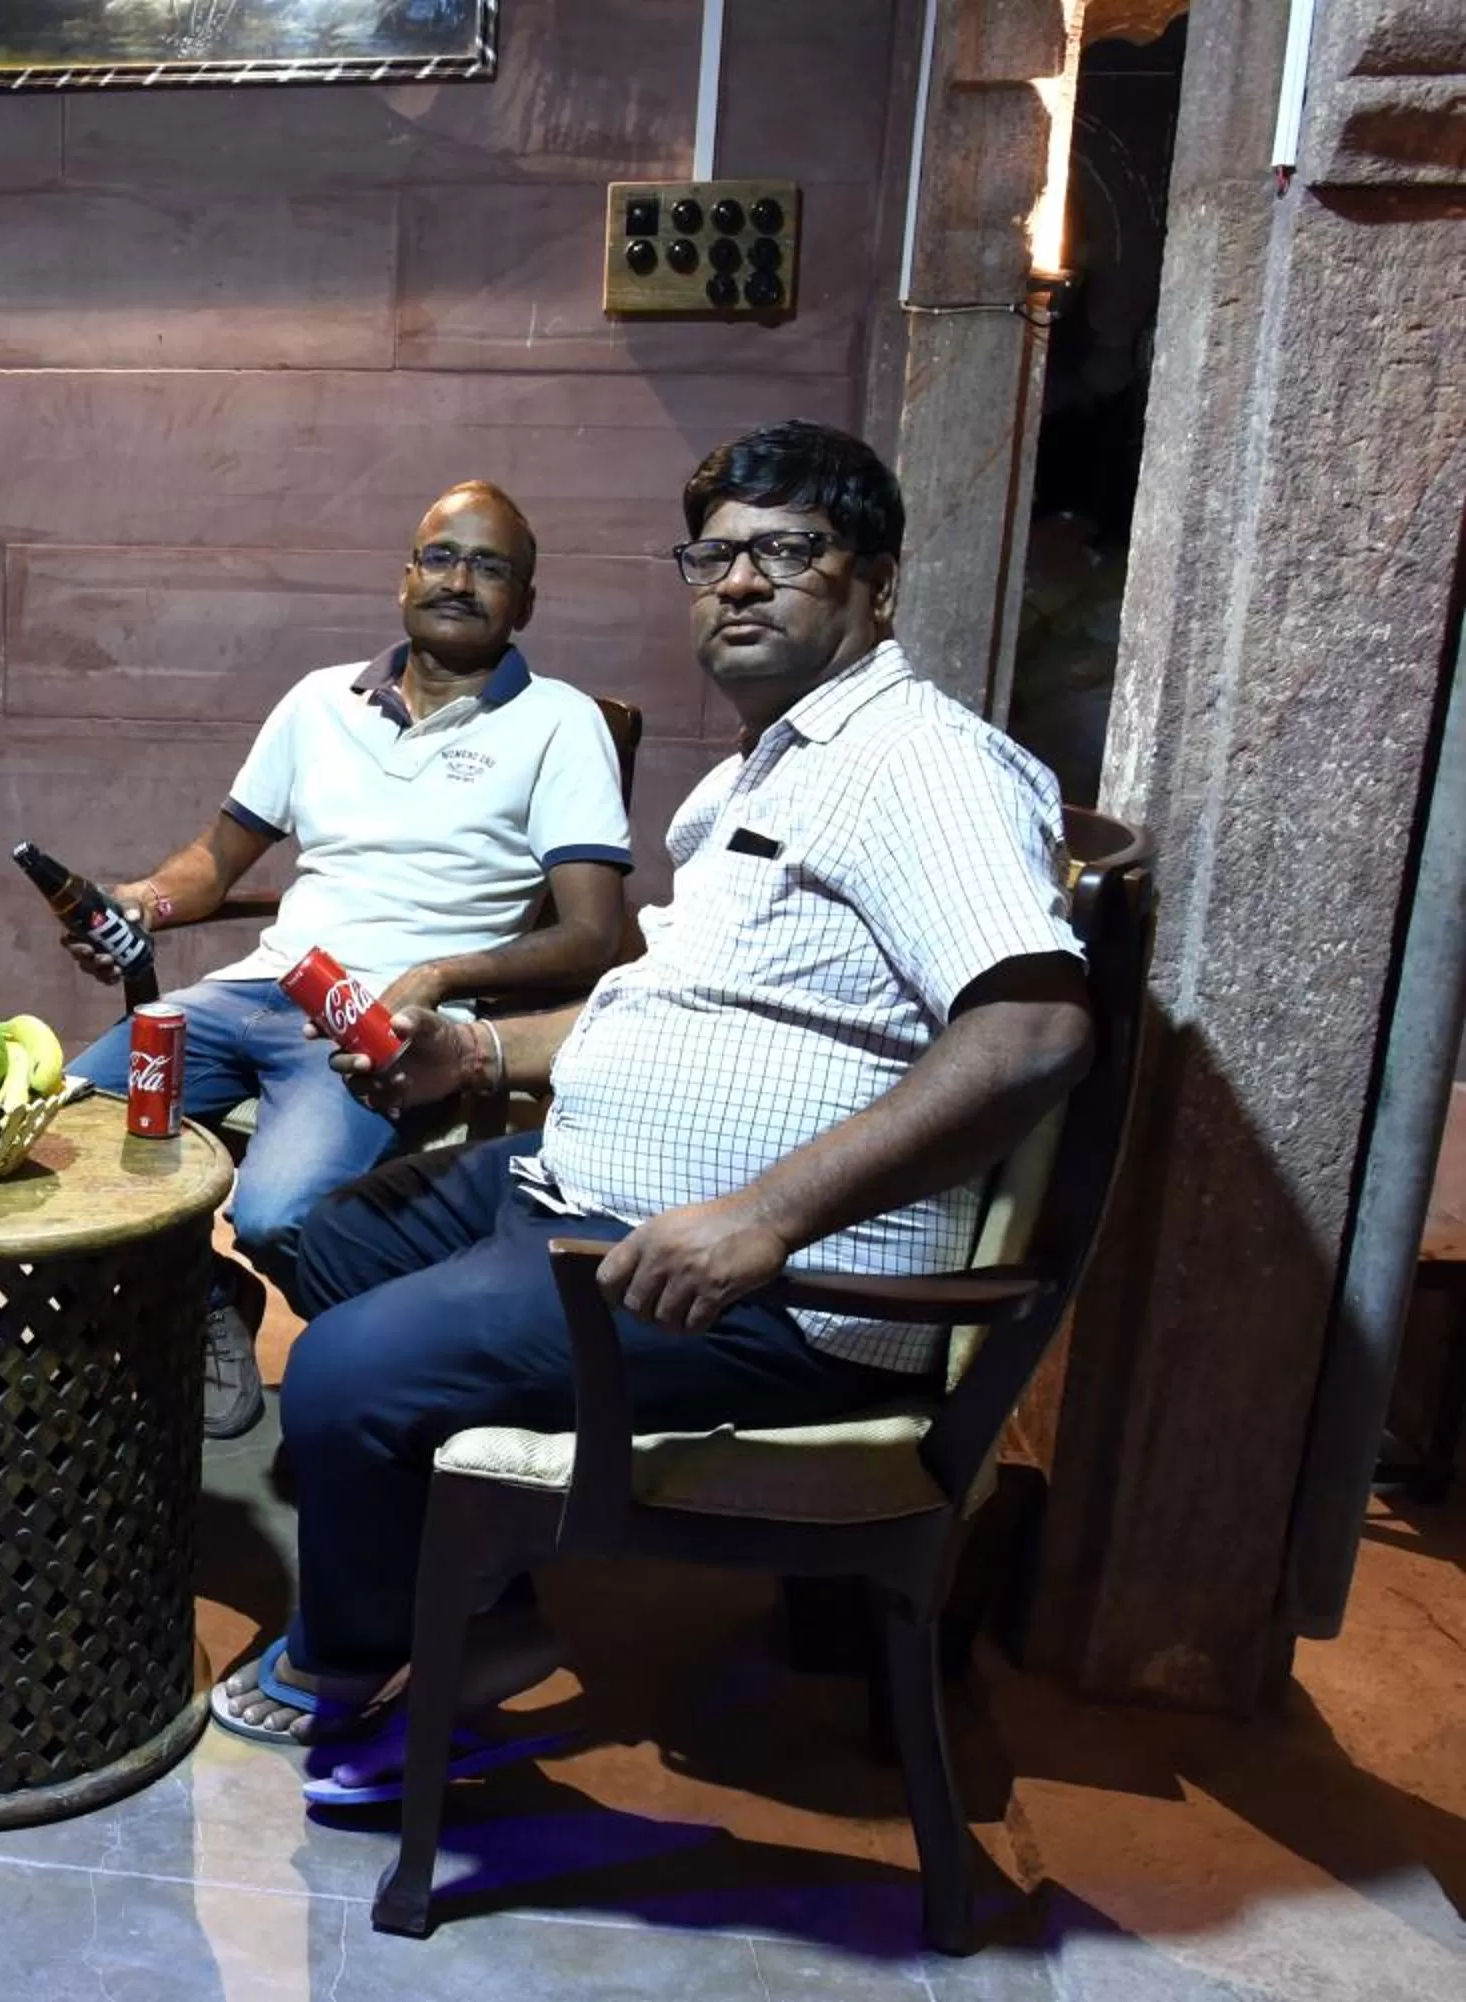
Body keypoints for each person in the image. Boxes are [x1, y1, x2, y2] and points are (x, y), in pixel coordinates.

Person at [210, 422, 1096, 1771]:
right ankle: (479, 1557)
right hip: (595, 1195)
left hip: (761, 1284)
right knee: (325, 1233)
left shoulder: (917, 762)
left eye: (787, 550)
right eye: (716, 554)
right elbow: (657, 1000)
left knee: (338, 1374)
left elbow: (1034, 1027)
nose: (739, 582)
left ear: (878, 584)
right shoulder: (772, 766)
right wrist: (478, 1056)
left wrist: (764, 1217)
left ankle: (385, 1646)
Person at [67, 482, 632, 1437]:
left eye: (490, 567)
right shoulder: (318, 701)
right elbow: (213, 863)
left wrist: (446, 978)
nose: (459, 580)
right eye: (441, 557)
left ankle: (386, 1384)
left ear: (525, 603)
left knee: (279, 1215)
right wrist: (138, 905)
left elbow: (592, 933)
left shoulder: (560, 722)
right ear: (405, 576)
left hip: (372, 1027)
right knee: (58, 1135)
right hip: (252, 987)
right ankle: (209, 1298)